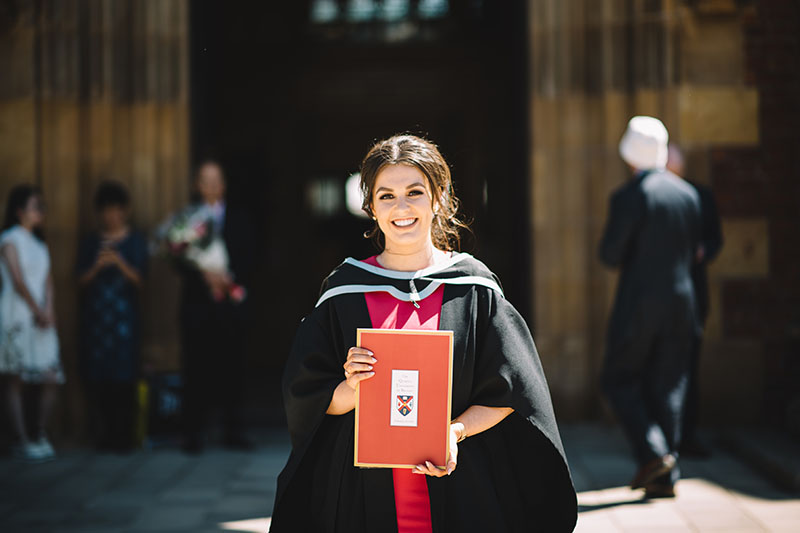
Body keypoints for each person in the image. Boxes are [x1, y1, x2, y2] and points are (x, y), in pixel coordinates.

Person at [271, 135, 577, 532]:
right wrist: (352, 387)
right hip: (363, 489)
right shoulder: (343, 290)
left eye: (415, 192)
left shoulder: (474, 288)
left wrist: (454, 431)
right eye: (386, 196)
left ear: (439, 198)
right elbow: (306, 396)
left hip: (459, 484)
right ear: (371, 208)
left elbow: (515, 393)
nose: (401, 208)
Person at [599, 117, 702, 499]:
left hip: (640, 302)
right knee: (670, 385)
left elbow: (610, 254)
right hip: (683, 301)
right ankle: (664, 476)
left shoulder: (630, 196)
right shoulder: (687, 194)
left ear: (629, 156)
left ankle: (655, 454)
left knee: (617, 378)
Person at [176, 160, 255, 453]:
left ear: (223, 185)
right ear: (197, 185)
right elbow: (178, 258)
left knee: (233, 368)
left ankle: (234, 431)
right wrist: (204, 276)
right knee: (196, 368)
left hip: (231, 304)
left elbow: (250, 254)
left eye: (215, 180)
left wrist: (227, 278)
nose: (210, 186)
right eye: (204, 180)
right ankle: (193, 433)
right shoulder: (188, 219)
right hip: (197, 304)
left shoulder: (239, 218)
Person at [77, 181, 148, 452]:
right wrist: (97, 266)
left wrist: (118, 262)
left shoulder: (135, 241)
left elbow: (141, 280)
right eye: (105, 210)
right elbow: (79, 280)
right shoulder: (91, 242)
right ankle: (104, 435)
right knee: (100, 378)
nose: (111, 216)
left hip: (124, 322)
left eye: (116, 210)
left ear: (125, 211)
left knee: (124, 377)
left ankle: (125, 436)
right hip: (97, 321)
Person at [666, 144, 723, 458]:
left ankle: (687, 436)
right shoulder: (651, 196)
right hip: (659, 299)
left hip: (692, 295)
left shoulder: (699, 196)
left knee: (688, 370)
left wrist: (703, 251)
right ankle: (661, 442)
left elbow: (716, 239)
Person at [0, 185, 64, 461]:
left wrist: (49, 309)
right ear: (19, 210)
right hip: (17, 314)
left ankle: (38, 433)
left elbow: (48, 281)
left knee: (50, 374)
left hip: (42, 317)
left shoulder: (40, 244)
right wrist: (36, 308)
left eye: (42, 206)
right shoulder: (9, 239)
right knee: (16, 377)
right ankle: (21, 439)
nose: (41, 212)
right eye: (36, 206)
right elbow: (17, 280)